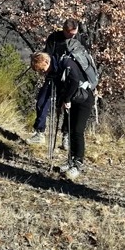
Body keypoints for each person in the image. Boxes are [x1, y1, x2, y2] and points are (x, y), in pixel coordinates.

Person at [30, 50, 95, 180]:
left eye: (42, 69)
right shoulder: (55, 69)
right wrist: (60, 103)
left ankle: (78, 164)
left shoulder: (66, 63)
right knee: (70, 130)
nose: (43, 73)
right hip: (71, 100)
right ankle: (71, 160)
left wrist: (67, 100)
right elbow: (61, 88)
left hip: (83, 99)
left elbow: (75, 81)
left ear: (46, 61)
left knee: (77, 130)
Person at [26, 18, 81, 146]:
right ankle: (40, 133)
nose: (73, 36)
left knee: (67, 105)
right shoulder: (54, 38)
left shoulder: (79, 38)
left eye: (75, 33)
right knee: (42, 101)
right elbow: (47, 57)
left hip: (70, 78)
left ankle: (66, 136)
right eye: (71, 34)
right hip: (53, 74)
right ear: (64, 30)